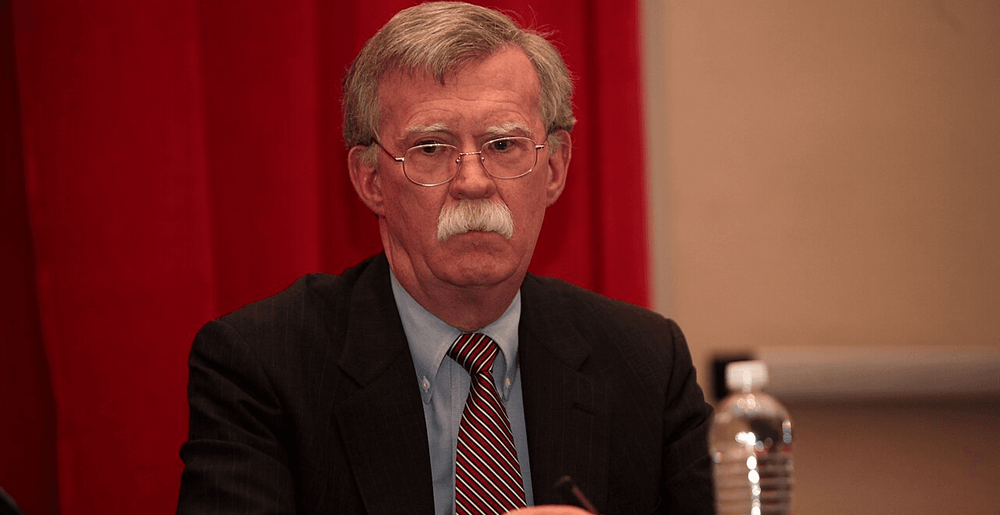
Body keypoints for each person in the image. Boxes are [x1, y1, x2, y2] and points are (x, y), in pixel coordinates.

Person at [176, 3, 714, 515]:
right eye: (431, 148)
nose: (474, 182)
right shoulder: (262, 365)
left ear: (553, 169)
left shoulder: (646, 361)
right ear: (370, 180)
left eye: (504, 145)